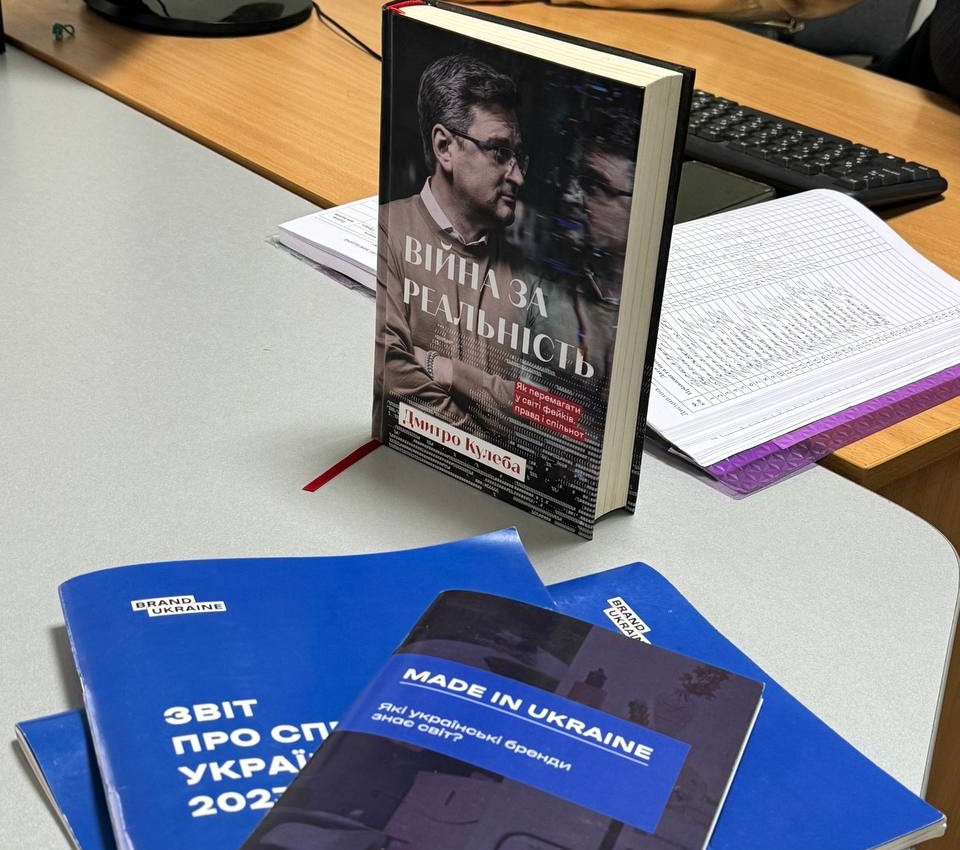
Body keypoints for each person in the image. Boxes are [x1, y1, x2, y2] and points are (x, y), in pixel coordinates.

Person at [374, 54, 527, 441]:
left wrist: (440, 368)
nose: (518, 177)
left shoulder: (530, 276)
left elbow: (547, 415)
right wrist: (483, 443)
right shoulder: (386, 231)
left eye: (518, 156)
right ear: (444, 147)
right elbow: (389, 367)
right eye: (500, 152)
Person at [527, 106, 640, 426]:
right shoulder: (538, 290)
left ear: (640, 203)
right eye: (573, 178)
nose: (570, 196)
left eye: (593, 186)